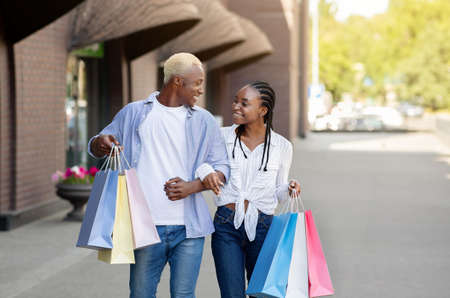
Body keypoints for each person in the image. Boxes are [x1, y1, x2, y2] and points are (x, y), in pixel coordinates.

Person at [88, 52, 230, 298]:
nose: (200, 90)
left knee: (184, 295)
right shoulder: (133, 113)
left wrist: (193, 187)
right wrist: (100, 143)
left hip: (189, 229)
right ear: (177, 81)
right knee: (141, 294)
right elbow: (97, 144)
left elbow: (223, 167)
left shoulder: (204, 121)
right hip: (145, 226)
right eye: (196, 83)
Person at [205, 81, 301, 298]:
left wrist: (290, 188)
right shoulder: (222, 136)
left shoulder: (282, 146)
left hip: (264, 228)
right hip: (226, 225)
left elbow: (278, 192)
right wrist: (207, 173)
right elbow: (202, 163)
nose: (235, 106)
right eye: (235, 101)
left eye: (244, 103)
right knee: (231, 294)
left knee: (263, 294)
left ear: (262, 110)